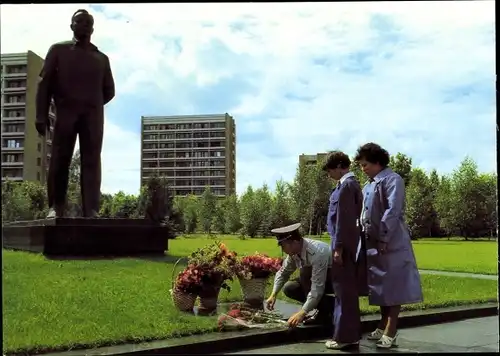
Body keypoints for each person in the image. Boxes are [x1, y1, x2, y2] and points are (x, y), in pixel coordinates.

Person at [36, 9, 115, 218]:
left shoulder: (101, 58)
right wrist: (41, 115)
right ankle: (56, 207)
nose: (84, 25)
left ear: (93, 28)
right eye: (79, 21)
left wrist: (91, 104)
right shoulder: (58, 51)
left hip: (92, 116)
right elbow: (44, 84)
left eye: (88, 22)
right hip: (66, 113)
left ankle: (91, 209)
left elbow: (109, 90)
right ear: (71, 25)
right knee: (60, 159)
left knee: (91, 161)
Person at [354, 142, 423, 349]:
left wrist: (383, 238)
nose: (362, 169)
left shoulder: (393, 180)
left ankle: (391, 331)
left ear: (377, 162)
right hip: (373, 243)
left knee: (394, 287)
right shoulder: (369, 185)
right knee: (381, 287)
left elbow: (392, 211)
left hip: (391, 242)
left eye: (365, 165)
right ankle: (382, 324)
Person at [322, 151, 364, 350]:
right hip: (344, 243)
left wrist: (338, 247)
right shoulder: (346, 185)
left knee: (344, 292)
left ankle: (345, 338)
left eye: (330, 170)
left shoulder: (347, 186)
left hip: (344, 245)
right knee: (344, 292)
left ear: (339, 166)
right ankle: (349, 335)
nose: (329, 174)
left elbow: (344, 221)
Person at [266, 223, 333, 327]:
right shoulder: (294, 252)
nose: (283, 250)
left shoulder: (317, 252)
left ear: (295, 242)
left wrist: (302, 312)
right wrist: (273, 294)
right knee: (290, 287)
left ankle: (326, 311)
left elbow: (317, 288)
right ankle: (330, 305)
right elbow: (283, 273)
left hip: (336, 280)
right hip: (317, 281)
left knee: (305, 274)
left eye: (283, 246)